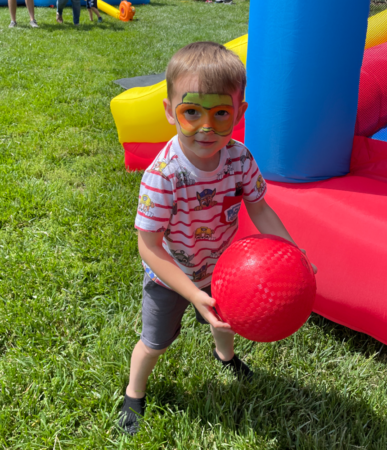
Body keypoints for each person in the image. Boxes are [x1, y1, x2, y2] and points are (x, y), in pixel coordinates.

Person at [118, 41, 317, 435]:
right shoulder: (163, 175)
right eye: (191, 112)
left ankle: (224, 357)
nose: (206, 127)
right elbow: (149, 246)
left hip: (224, 268)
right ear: (169, 112)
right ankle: (133, 392)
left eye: (220, 113)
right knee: (155, 343)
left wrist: (292, 251)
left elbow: (259, 208)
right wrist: (192, 293)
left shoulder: (240, 159)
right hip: (170, 276)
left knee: (225, 322)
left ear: (239, 113)